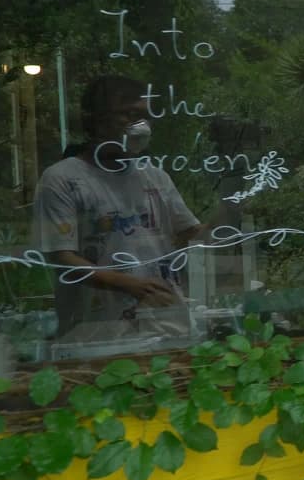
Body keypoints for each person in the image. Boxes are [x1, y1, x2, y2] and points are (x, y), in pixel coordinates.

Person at [33, 76, 202, 346]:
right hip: (97, 336)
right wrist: (130, 285)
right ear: (98, 120)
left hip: (168, 329)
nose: (141, 126)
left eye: (146, 117)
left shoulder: (155, 177)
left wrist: (234, 201)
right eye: (129, 115)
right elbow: (62, 257)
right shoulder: (62, 179)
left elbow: (194, 235)